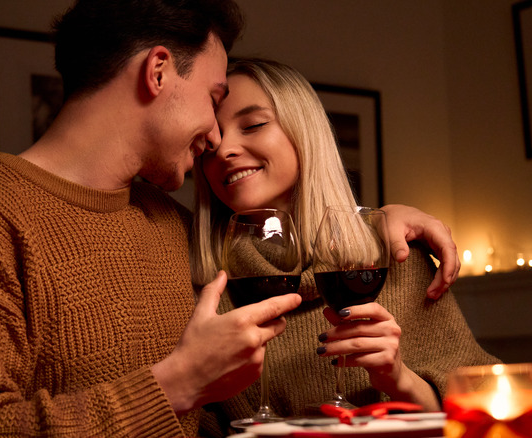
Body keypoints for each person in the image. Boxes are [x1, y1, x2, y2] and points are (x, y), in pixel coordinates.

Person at [0, 1, 460, 436]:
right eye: (213, 97)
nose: (216, 138)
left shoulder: (172, 226)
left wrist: (375, 221)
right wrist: (178, 384)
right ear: (158, 72)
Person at [189, 58, 500, 436]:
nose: (224, 151)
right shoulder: (203, 288)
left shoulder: (394, 254)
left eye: (253, 125)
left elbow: (486, 413)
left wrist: (399, 379)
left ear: (304, 131)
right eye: (212, 142)